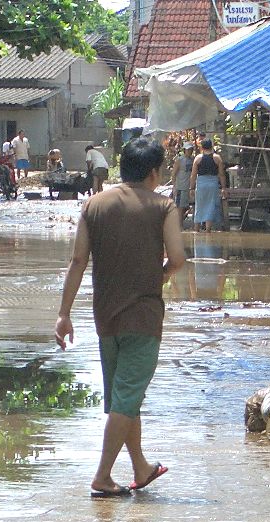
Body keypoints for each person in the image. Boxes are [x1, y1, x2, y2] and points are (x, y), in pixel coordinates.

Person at [54, 137, 186, 497]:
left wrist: (64, 314)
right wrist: (157, 275)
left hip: (105, 317)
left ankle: (141, 467)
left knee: (124, 398)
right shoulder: (164, 206)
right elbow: (177, 258)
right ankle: (102, 476)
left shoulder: (94, 205)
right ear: (155, 172)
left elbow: (77, 261)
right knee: (127, 399)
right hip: (142, 316)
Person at [189, 138, 227, 232]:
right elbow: (221, 174)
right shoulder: (217, 158)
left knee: (199, 206)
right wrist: (223, 187)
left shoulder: (198, 158)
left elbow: (193, 175)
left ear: (202, 147)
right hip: (213, 184)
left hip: (201, 184)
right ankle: (207, 230)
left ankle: (196, 230)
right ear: (211, 146)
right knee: (210, 206)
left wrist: (191, 188)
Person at [170, 142, 195, 221]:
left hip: (191, 187)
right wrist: (174, 187)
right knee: (180, 207)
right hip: (181, 187)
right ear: (184, 150)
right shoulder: (179, 160)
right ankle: (179, 226)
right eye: (188, 150)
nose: (190, 151)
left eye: (191, 149)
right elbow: (173, 174)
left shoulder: (193, 159)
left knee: (190, 206)